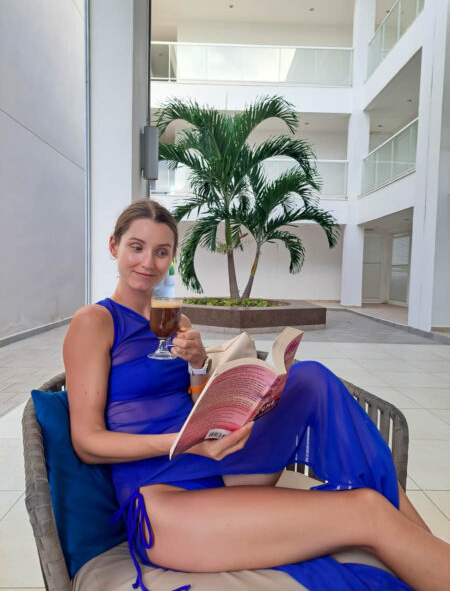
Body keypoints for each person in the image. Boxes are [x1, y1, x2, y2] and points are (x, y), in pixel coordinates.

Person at [64, 199, 450, 591]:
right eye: (137, 247)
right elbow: (88, 442)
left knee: (310, 378)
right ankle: (429, 548)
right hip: (161, 498)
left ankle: (423, 542)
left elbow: (197, 403)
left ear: (171, 258)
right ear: (114, 246)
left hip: (214, 461)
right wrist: (184, 445)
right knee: (367, 511)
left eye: (161, 252)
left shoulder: (178, 321)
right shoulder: (95, 322)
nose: (148, 262)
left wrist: (200, 365)